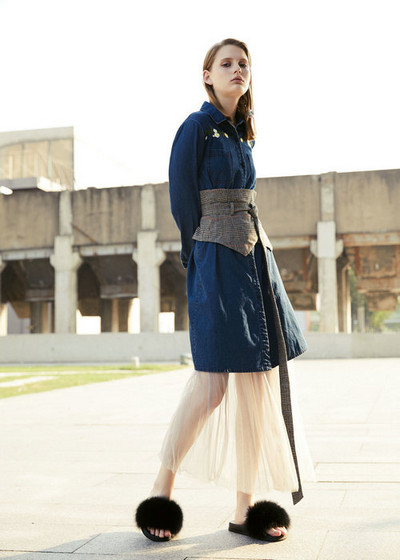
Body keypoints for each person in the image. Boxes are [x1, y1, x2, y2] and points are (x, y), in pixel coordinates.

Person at [135, 37, 314, 544]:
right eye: (227, 63)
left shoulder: (244, 134)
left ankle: (244, 507)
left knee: (257, 386)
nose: (238, 70)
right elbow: (182, 202)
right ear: (207, 75)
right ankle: (161, 489)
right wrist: (199, 260)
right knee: (212, 385)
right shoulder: (196, 127)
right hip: (215, 259)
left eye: (244, 64)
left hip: (255, 260)